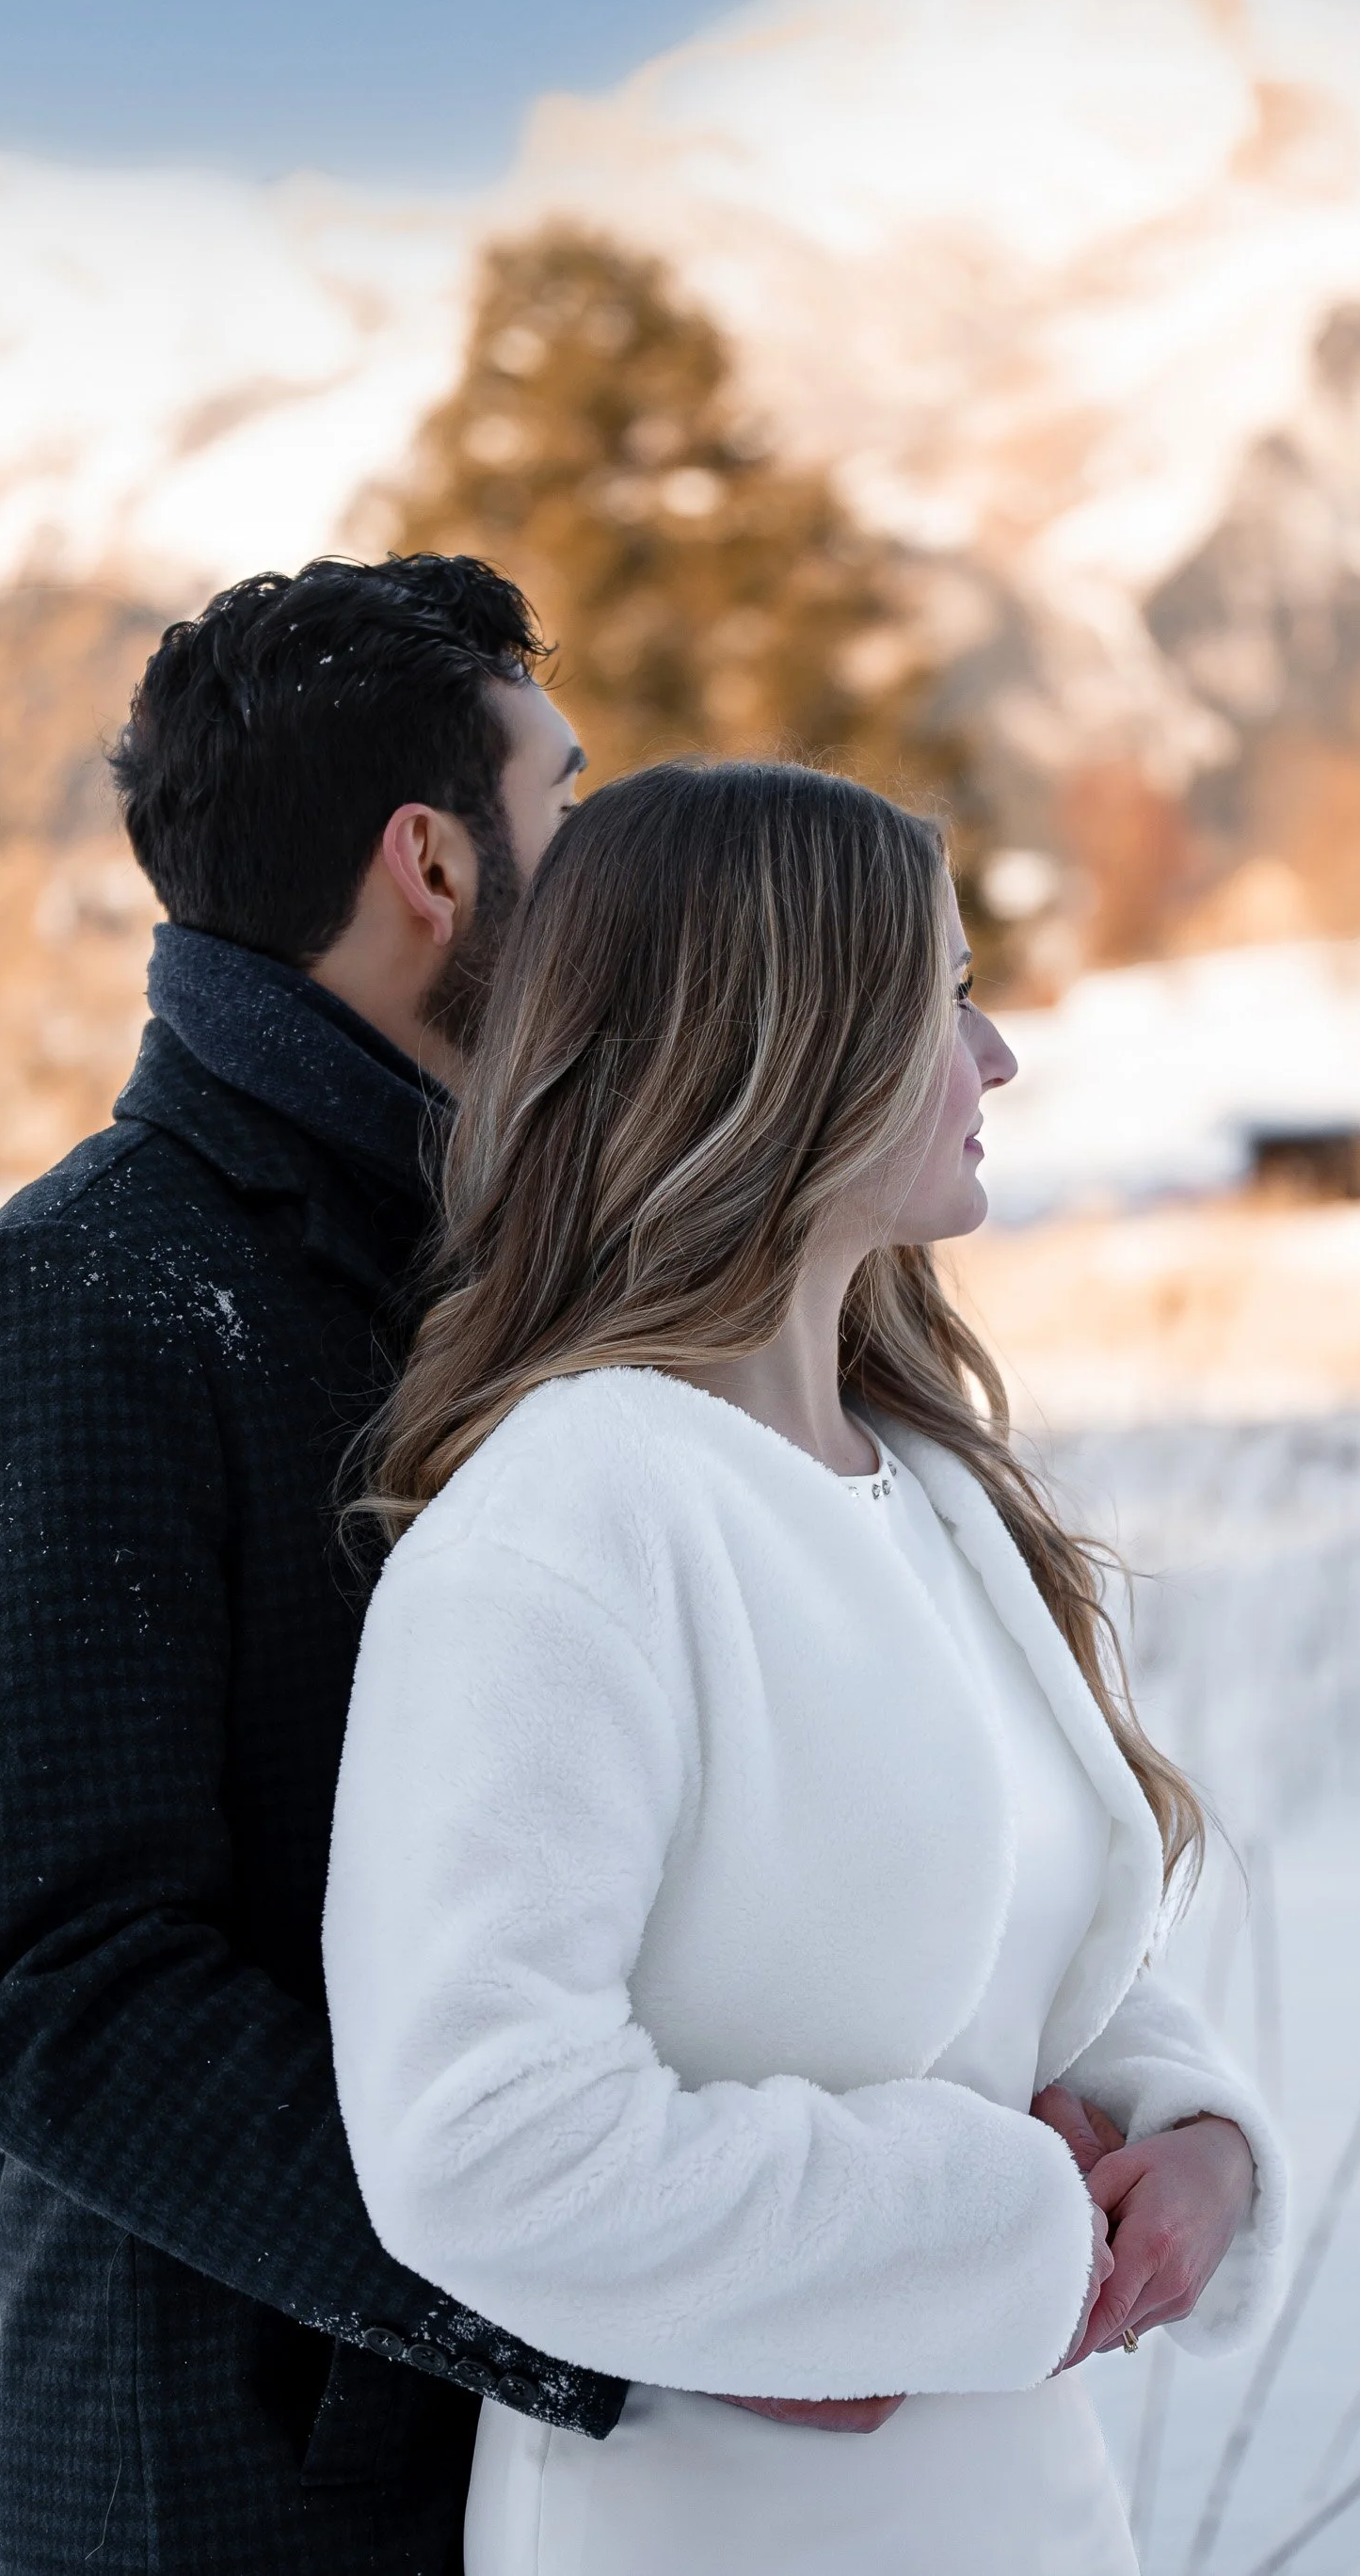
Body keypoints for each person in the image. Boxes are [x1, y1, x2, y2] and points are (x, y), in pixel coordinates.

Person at [325, 760, 1288, 2576]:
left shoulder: (915, 1481)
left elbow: (1005, 1943)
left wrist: (1193, 2134)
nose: (995, 1057)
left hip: (1015, 2510)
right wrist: (992, 2228)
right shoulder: (575, 1517)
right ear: (792, 1044)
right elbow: (480, 2137)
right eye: (946, 994)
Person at [0, 553, 613, 2576]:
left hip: (585, 2483)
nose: (608, 868)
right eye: (570, 802)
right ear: (433, 866)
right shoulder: (64, 1313)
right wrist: (585, 2278)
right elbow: (67, 1995)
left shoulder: (519, 1285)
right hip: (261, 2491)